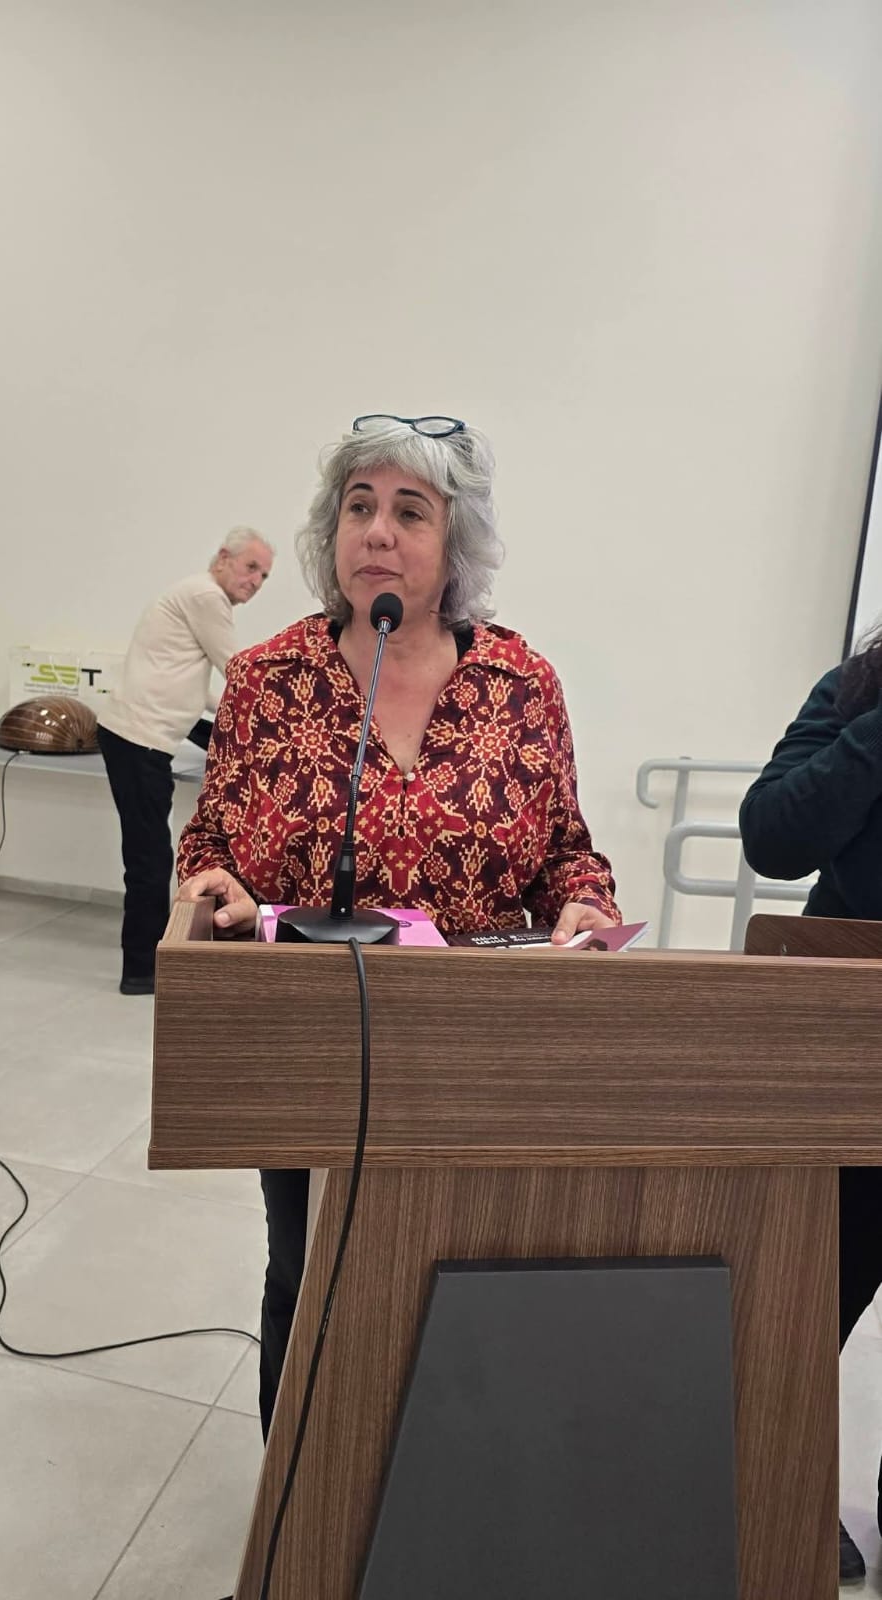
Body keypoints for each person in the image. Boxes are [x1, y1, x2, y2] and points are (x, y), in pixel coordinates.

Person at [175, 413, 620, 1440]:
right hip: (310, 1035)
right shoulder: (268, 679)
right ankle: (300, 1495)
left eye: (410, 511)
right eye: (359, 506)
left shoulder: (522, 684)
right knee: (307, 1270)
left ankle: (435, 1486)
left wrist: (585, 903)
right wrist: (211, 881)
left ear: (456, 542)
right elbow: (210, 835)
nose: (377, 530)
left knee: (450, 1271)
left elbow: (566, 850)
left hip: (471, 1046)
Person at [739, 629, 882, 1584]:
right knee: (807, 1290)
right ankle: (774, 1491)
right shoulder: (858, 687)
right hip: (844, 1048)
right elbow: (774, 836)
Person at [97, 527, 274, 995]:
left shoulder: (194, 594)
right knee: (150, 859)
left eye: (264, 576)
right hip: (139, 739)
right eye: (251, 567)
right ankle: (142, 970)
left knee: (149, 854)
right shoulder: (206, 596)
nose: (256, 582)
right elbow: (238, 669)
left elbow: (204, 692)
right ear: (223, 558)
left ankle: (146, 961)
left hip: (135, 736)